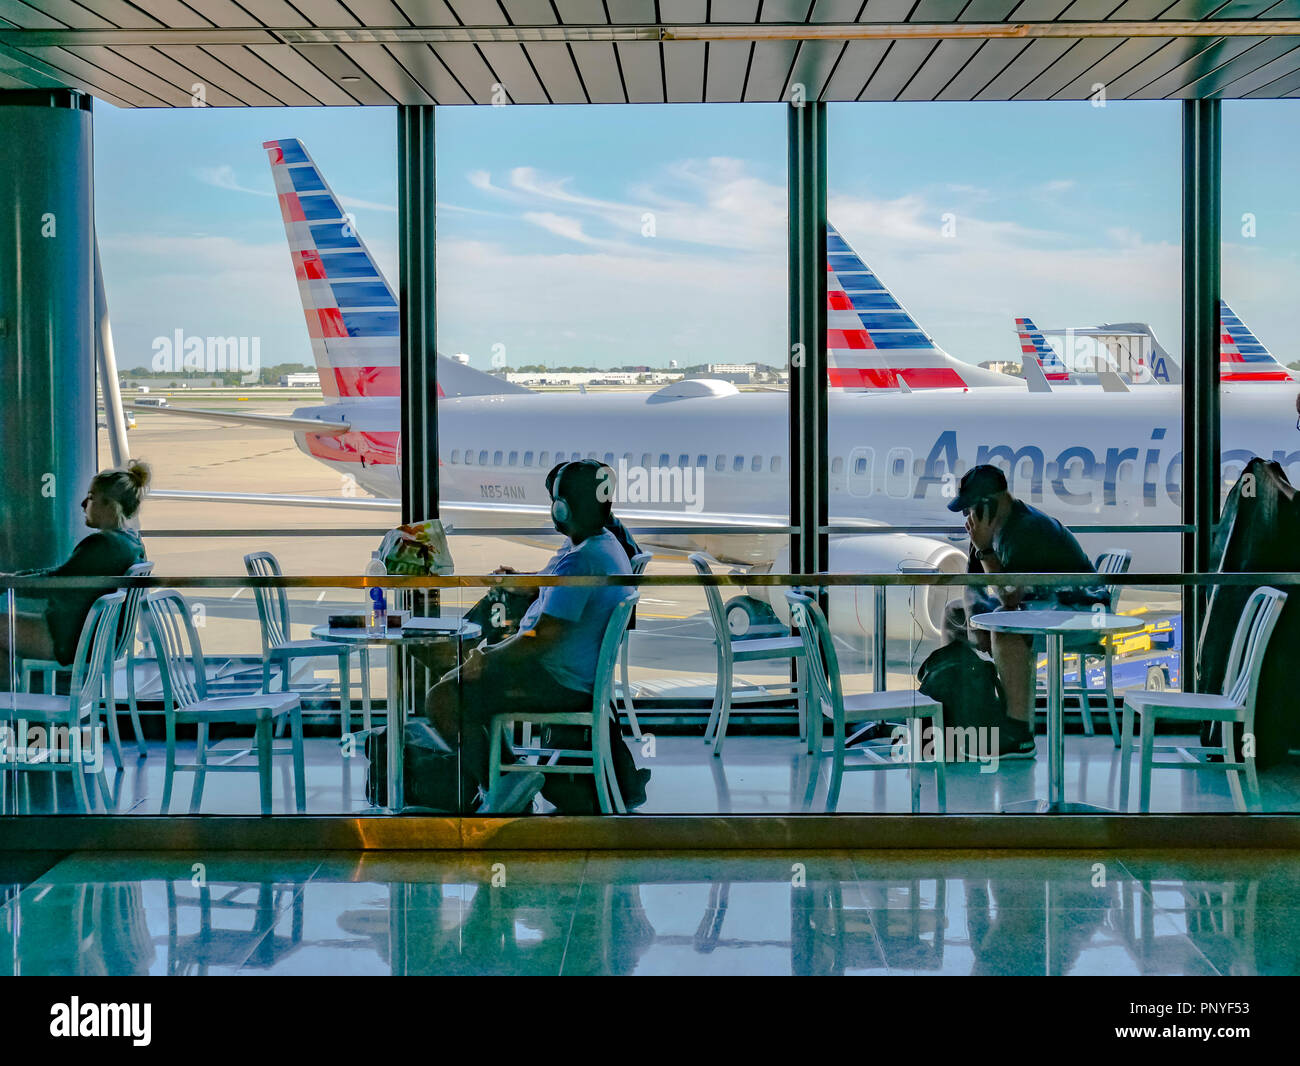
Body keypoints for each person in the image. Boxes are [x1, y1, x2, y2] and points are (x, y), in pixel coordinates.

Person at [423, 460, 648, 810]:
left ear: (563, 507)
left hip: (561, 685)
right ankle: (508, 779)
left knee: (443, 697)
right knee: (456, 680)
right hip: (567, 676)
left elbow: (543, 638)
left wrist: (488, 658)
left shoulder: (583, 561)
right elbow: (549, 603)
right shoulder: (602, 545)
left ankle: (500, 782)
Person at [942, 464, 1108, 759]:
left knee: (1007, 629)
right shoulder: (996, 527)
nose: (968, 518)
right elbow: (979, 587)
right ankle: (968, 709)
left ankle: (1019, 733)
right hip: (1049, 605)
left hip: (1081, 613)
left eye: (970, 510)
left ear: (988, 505)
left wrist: (984, 550)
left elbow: (1009, 597)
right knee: (955, 614)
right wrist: (972, 624)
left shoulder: (1026, 530)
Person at [0, 461, 150, 688]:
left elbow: (56, 583)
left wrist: (8, 583)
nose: (83, 504)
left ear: (109, 504)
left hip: (73, 640)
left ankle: (9, 706)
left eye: (91, 497)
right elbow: (62, 575)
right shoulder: (131, 542)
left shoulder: (103, 544)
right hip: (97, 640)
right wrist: (10, 579)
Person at [467, 459, 642, 645]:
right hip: (584, 627)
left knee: (501, 600)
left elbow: (551, 585)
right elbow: (553, 577)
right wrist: (519, 577)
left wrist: (513, 583)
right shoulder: (605, 537)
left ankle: (459, 649)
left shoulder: (583, 554)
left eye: (557, 499)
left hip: (570, 635)